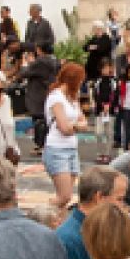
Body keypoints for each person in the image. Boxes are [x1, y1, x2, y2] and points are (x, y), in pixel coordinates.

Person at [44, 63, 86, 209]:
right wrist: (75, 126)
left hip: (71, 147)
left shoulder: (72, 98)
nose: (81, 84)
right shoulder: (56, 97)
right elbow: (64, 128)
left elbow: (83, 121)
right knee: (64, 195)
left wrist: (74, 125)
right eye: (80, 81)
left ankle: (57, 225)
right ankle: (41, 215)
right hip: (57, 148)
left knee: (66, 198)